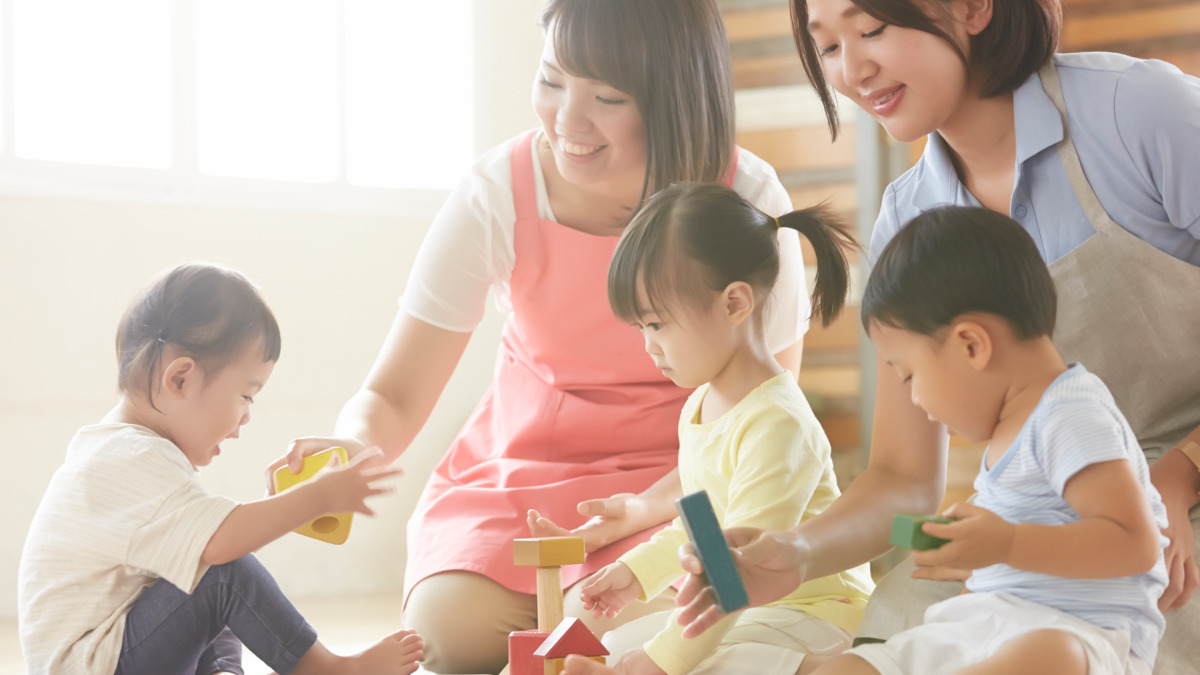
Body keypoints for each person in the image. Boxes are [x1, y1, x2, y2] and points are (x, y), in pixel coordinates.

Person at [277, 1, 812, 672]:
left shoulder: (748, 209)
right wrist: (350, 449)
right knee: (449, 634)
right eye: (553, 79)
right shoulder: (497, 190)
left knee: (640, 633)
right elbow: (394, 392)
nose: (567, 119)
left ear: (674, 98)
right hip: (518, 478)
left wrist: (649, 515)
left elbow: (755, 437)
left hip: (682, 490)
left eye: (608, 96)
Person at [668, 1, 1200, 673]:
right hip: (1030, 536)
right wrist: (797, 553)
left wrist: (1178, 476)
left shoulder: (1142, 113)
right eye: (827, 47)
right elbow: (900, 475)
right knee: (891, 634)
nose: (852, 70)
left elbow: (1130, 537)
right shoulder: (910, 220)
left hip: (1163, 509)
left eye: (872, 29)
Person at [809, 205, 1167, 674]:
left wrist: (1007, 545)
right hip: (986, 625)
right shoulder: (1007, 431)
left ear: (971, 345)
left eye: (911, 375)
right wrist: (975, 558)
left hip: (1083, 634)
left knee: (1048, 657)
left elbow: (1134, 544)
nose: (914, 399)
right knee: (842, 669)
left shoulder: (1070, 413)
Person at [17, 263, 423, 675]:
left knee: (204, 575)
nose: (246, 417)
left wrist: (272, 509)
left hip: (111, 656)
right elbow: (220, 546)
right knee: (221, 572)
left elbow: (212, 544)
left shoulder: (117, 450)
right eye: (246, 395)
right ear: (180, 380)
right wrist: (315, 497)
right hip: (99, 666)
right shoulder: (131, 459)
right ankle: (331, 670)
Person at [540, 183, 872, 675]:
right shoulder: (701, 405)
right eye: (641, 329)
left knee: (707, 662)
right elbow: (702, 532)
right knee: (617, 642)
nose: (649, 347)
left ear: (735, 303)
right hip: (751, 605)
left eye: (657, 325)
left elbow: (739, 570)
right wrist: (638, 572)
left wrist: (660, 662)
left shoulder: (778, 423)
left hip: (817, 613)